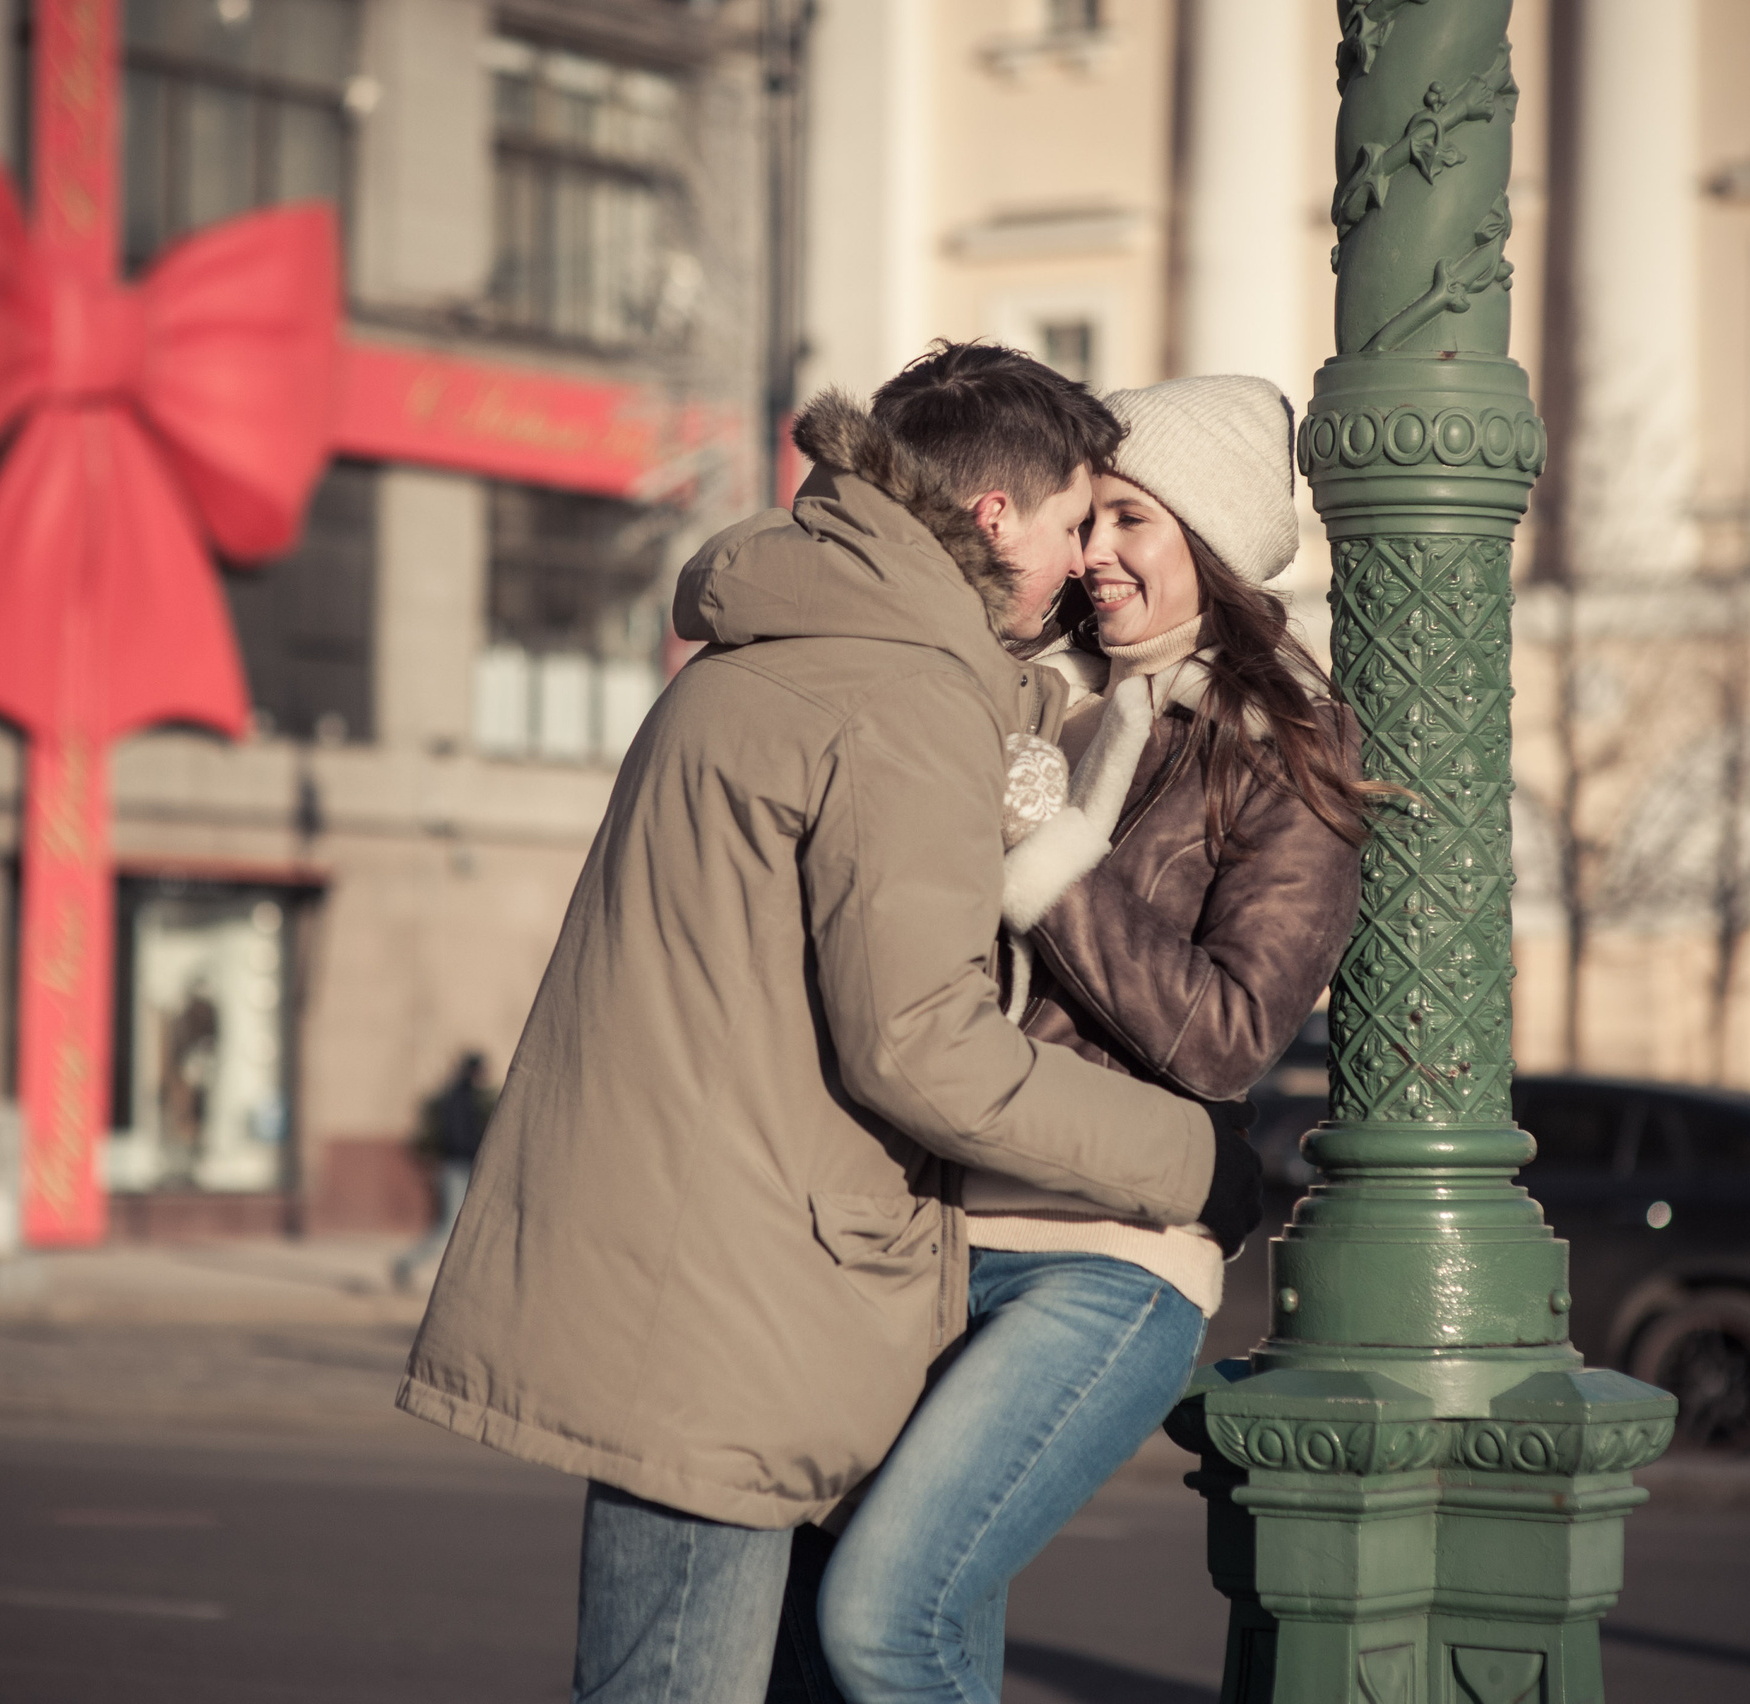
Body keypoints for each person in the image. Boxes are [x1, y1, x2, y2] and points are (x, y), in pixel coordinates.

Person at [396, 343, 1267, 1704]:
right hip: (743, 1296)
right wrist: (1197, 1163)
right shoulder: (903, 701)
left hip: (665, 1263)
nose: (1081, 559)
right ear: (994, 519)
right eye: (1073, 518)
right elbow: (923, 1047)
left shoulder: (765, 656)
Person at [807, 374, 1376, 1704]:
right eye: (1090, 518)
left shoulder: (1278, 749)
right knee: (880, 1641)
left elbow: (1232, 1036)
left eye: (1135, 519)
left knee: (885, 1622)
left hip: (1106, 1261)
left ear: (1214, 544)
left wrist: (1054, 859)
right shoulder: (1004, 698)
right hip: (921, 1239)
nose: (1096, 552)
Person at [390, 1051, 494, 1291]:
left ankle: (467, 1277)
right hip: (457, 1168)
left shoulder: (465, 1097)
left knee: (468, 1225)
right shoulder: (459, 1098)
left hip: (460, 1167)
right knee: (448, 1227)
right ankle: (405, 1264)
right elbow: (458, 1139)